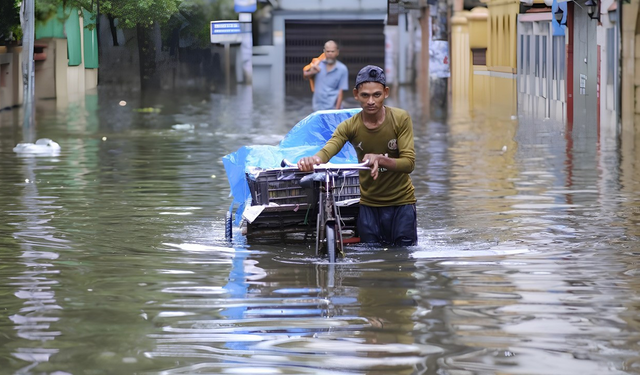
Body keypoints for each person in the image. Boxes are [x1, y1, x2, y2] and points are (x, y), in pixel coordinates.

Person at [297, 65, 418, 246]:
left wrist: (380, 158)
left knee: (403, 259)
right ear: (355, 95)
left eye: (376, 95)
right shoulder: (349, 126)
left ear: (385, 93)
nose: (371, 101)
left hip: (402, 203)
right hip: (369, 205)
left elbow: (409, 163)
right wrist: (314, 160)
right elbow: (329, 148)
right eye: (365, 95)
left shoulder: (401, 119)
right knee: (369, 259)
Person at [303, 40, 349, 111]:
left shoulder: (342, 69)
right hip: (317, 107)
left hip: (332, 107)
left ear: (337, 52)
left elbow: (340, 92)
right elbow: (305, 75)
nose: (330, 54)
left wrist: (336, 112)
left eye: (332, 51)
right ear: (324, 51)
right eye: (328, 51)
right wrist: (313, 71)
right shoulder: (317, 64)